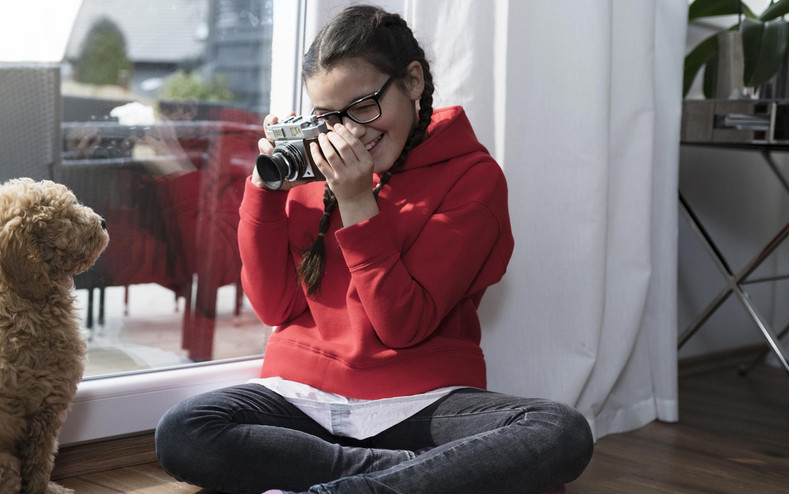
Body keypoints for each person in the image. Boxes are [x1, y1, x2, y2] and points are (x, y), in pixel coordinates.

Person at [153, 5, 594, 494]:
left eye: (363, 106)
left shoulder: (475, 180)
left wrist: (358, 202)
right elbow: (273, 306)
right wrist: (264, 193)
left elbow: (402, 327)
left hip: (421, 402)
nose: (350, 132)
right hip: (302, 398)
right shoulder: (315, 166)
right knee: (183, 431)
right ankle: (413, 472)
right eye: (328, 117)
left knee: (560, 433)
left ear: (412, 81)